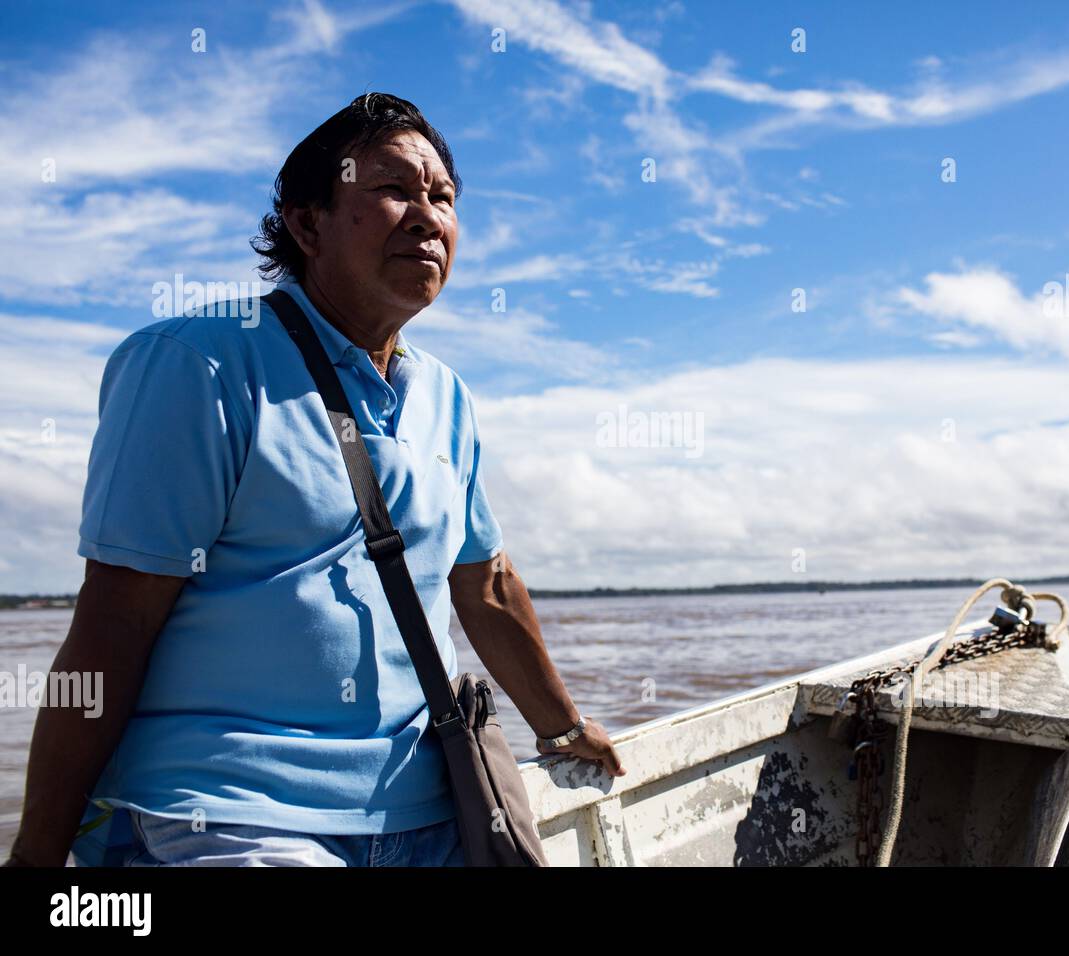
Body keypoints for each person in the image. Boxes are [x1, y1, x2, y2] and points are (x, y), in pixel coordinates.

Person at [4, 92, 624, 868]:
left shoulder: (446, 396)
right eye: (394, 190)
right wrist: (38, 854)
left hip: (432, 806)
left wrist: (563, 731)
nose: (428, 217)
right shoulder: (200, 364)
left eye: (443, 198)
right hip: (231, 814)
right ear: (307, 223)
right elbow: (110, 627)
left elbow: (486, 583)